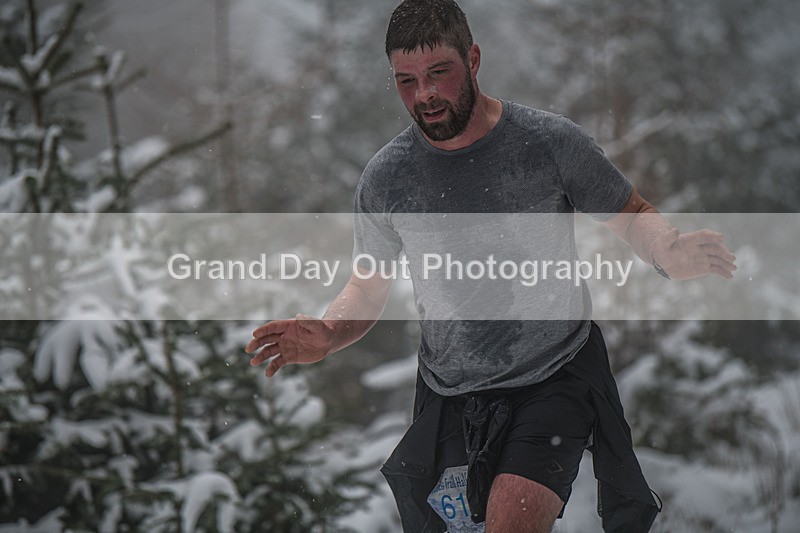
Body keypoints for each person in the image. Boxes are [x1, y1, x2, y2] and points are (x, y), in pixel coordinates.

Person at [245, 1, 737, 531]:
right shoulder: (387, 178)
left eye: (439, 72)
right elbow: (367, 286)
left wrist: (668, 250)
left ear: (473, 59)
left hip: (554, 376)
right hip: (450, 393)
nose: (425, 93)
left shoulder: (547, 142)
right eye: (406, 80)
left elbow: (632, 214)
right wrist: (329, 331)